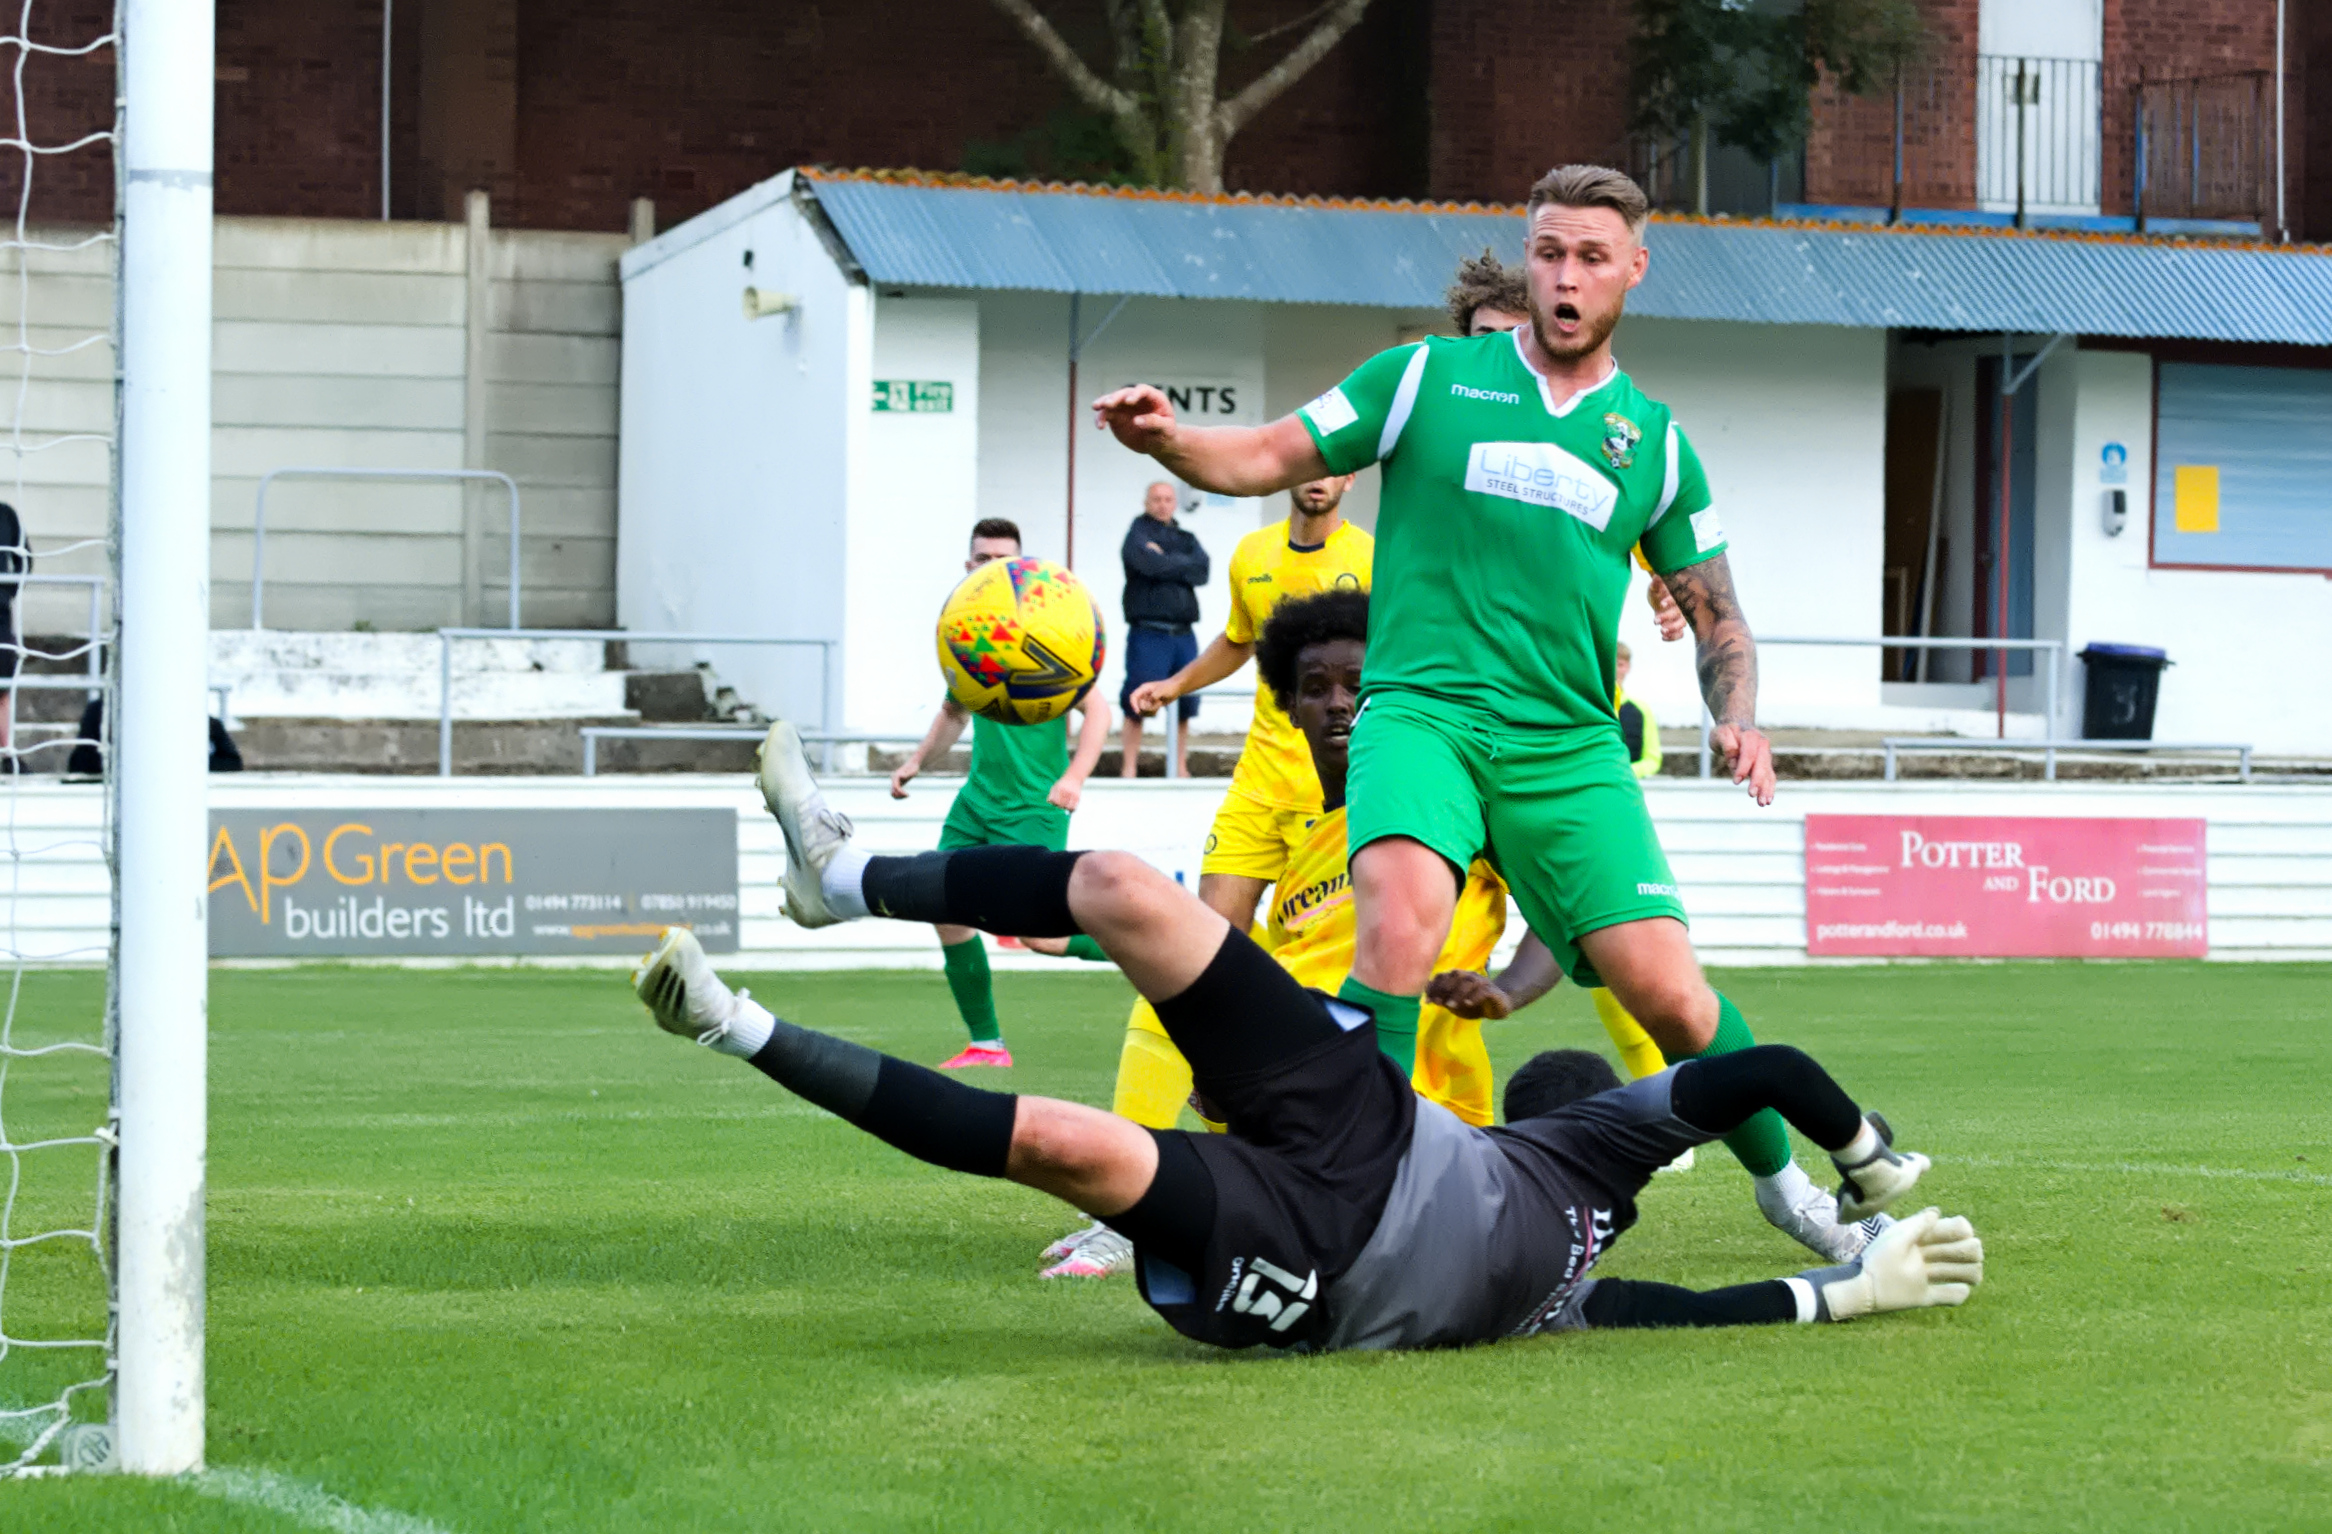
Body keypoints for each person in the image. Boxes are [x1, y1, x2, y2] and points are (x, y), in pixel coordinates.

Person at [1091, 164, 1870, 1261]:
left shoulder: (1654, 442)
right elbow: (1265, 453)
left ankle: (1789, 1189)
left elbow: (1717, 612)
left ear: (1632, 272)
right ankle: (1360, 1190)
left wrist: (1736, 712)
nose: (1565, 276)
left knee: (1674, 1000)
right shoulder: (1421, 377)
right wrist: (1169, 442)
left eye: (1591, 257)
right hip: (1423, 714)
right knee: (1399, 918)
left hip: (1565, 744)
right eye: (1549, 251)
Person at [638, 719, 1981, 1353]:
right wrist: (1856, 1176)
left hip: (1320, 1260)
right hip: (1369, 1126)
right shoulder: (1584, 1148)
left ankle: (735, 1023)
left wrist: (1845, 1276)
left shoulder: (1570, 1287)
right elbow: (1759, 1074)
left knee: (1065, 1145)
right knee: (1117, 888)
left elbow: (1678, 1305)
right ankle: (842, 875)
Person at [1035, 588, 1519, 1279]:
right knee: (1176, 1002)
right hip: (1314, 1086)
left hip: (1429, 1114)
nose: (1340, 702)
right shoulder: (1298, 866)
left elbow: (1562, 917)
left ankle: (1142, 1212)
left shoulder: (1448, 802)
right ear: (1290, 707)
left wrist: (1507, 988)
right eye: (1316, 689)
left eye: (1359, 683)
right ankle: (1131, 1216)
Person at [887, 518, 1110, 1068]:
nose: (990, 568)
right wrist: (918, 761)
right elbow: (952, 713)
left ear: (1019, 571)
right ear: (968, 567)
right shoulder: (972, 645)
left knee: (1041, 936)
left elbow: (1098, 708)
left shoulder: (1046, 634)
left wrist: (1075, 775)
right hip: (977, 801)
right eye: (981, 559)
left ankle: (1152, 950)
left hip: (1035, 807)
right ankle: (987, 1044)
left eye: (1001, 561)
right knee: (942, 905)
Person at [1117, 481, 1208, 779]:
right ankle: (1128, 768)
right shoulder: (1136, 535)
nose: (1162, 504)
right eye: (1156, 499)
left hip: (1183, 635)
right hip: (1148, 634)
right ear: (1146, 502)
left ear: (1174, 503)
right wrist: (1179, 565)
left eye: (1168, 499)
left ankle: (1180, 767)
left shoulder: (1186, 536)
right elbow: (1147, 565)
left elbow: (1202, 570)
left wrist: (1163, 559)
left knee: (1185, 702)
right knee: (1137, 701)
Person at [1614, 641, 1662, 778]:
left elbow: (1652, 759)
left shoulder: (1642, 709)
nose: (1614, 670)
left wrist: (1623, 772)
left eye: (1619, 664)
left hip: (1627, 787)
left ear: (1627, 667)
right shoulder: (1588, 705)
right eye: (1608, 663)